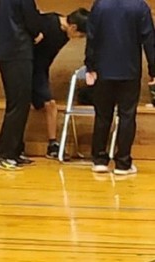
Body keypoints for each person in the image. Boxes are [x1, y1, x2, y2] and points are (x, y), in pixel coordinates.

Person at [85, 0, 155, 175]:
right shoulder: (140, 6)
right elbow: (150, 40)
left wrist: (90, 66)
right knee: (127, 116)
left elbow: (91, 37)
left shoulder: (100, 5)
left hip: (103, 70)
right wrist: (153, 70)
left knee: (102, 116)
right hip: (129, 70)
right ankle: (123, 163)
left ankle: (99, 160)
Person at [0, 0, 43, 171]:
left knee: (20, 104)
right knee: (17, 105)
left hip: (10, 52)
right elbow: (32, 20)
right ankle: (3, 154)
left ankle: (14, 152)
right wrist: (38, 31)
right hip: (17, 52)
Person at [32, 8, 90, 159]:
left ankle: (53, 145)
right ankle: (49, 144)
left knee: (50, 105)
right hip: (29, 68)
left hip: (41, 70)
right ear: (73, 27)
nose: (79, 38)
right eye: (81, 35)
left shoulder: (65, 33)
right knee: (47, 104)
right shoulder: (48, 23)